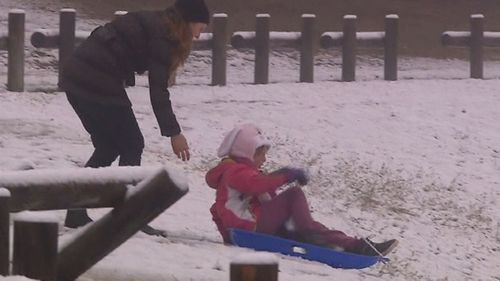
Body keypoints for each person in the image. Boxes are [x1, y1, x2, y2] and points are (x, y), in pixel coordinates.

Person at [59, 0, 210, 235]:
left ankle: (78, 212)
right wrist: (174, 132)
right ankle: (129, 216)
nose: (199, 36)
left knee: (108, 147)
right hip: (95, 80)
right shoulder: (163, 36)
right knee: (132, 143)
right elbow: (158, 91)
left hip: (76, 77)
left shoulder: (159, 23)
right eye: (201, 28)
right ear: (189, 22)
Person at [205, 123, 399, 256]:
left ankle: (355, 246)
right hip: (249, 229)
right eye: (260, 154)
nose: (264, 159)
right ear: (246, 152)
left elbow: (263, 193)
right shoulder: (234, 172)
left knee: (311, 227)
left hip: (256, 228)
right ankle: (318, 237)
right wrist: (286, 176)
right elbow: (257, 185)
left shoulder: (244, 174)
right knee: (295, 197)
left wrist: (281, 175)